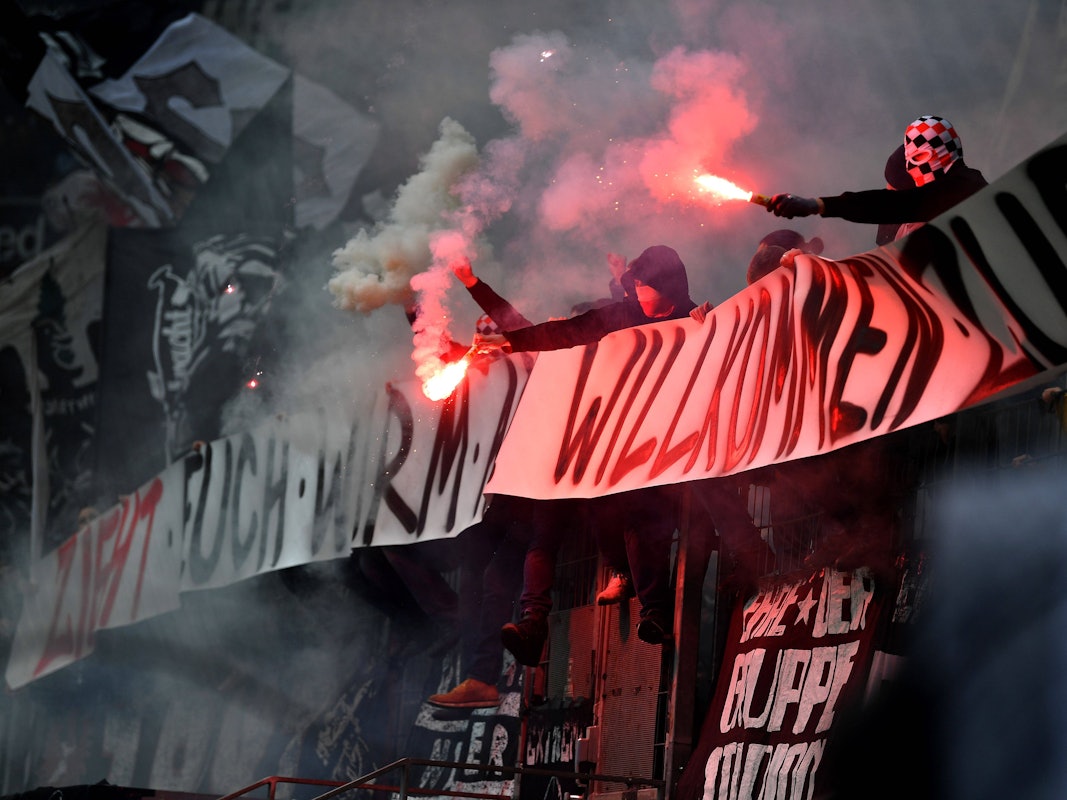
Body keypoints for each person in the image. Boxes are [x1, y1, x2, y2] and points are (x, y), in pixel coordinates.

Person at [470, 245, 703, 647]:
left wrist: (708, 324)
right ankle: (543, 619)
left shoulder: (695, 317)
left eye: (644, 286)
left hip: (664, 445)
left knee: (646, 519)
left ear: (669, 287)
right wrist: (509, 345)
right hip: (606, 445)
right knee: (594, 516)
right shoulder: (620, 316)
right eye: (634, 287)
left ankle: (655, 612)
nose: (638, 294)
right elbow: (562, 333)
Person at [765, 115, 988, 227]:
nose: (911, 168)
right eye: (909, 161)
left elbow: (896, 204)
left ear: (946, 151)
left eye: (919, 157)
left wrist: (817, 205)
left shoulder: (964, 186)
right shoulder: (964, 185)